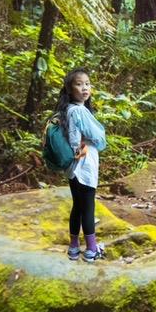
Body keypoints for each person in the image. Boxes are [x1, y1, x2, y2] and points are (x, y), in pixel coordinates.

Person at [57, 68, 107, 262]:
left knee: (77, 206)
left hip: (72, 166)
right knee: (88, 207)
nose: (84, 88)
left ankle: (73, 248)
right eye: (79, 84)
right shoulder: (79, 111)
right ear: (70, 89)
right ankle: (92, 250)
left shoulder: (67, 110)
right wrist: (100, 139)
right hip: (84, 166)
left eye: (87, 83)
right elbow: (100, 139)